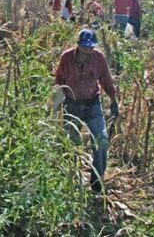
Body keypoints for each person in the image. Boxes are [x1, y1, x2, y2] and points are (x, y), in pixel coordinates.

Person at [54, 29, 119, 193]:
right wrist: (56, 103)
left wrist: (114, 102)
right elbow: (59, 80)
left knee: (101, 141)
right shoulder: (66, 58)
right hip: (72, 104)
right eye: (85, 47)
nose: (88, 50)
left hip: (92, 104)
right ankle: (71, 180)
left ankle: (97, 184)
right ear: (78, 45)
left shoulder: (98, 59)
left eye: (91, 47)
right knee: (72, 145)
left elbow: (107, 81)